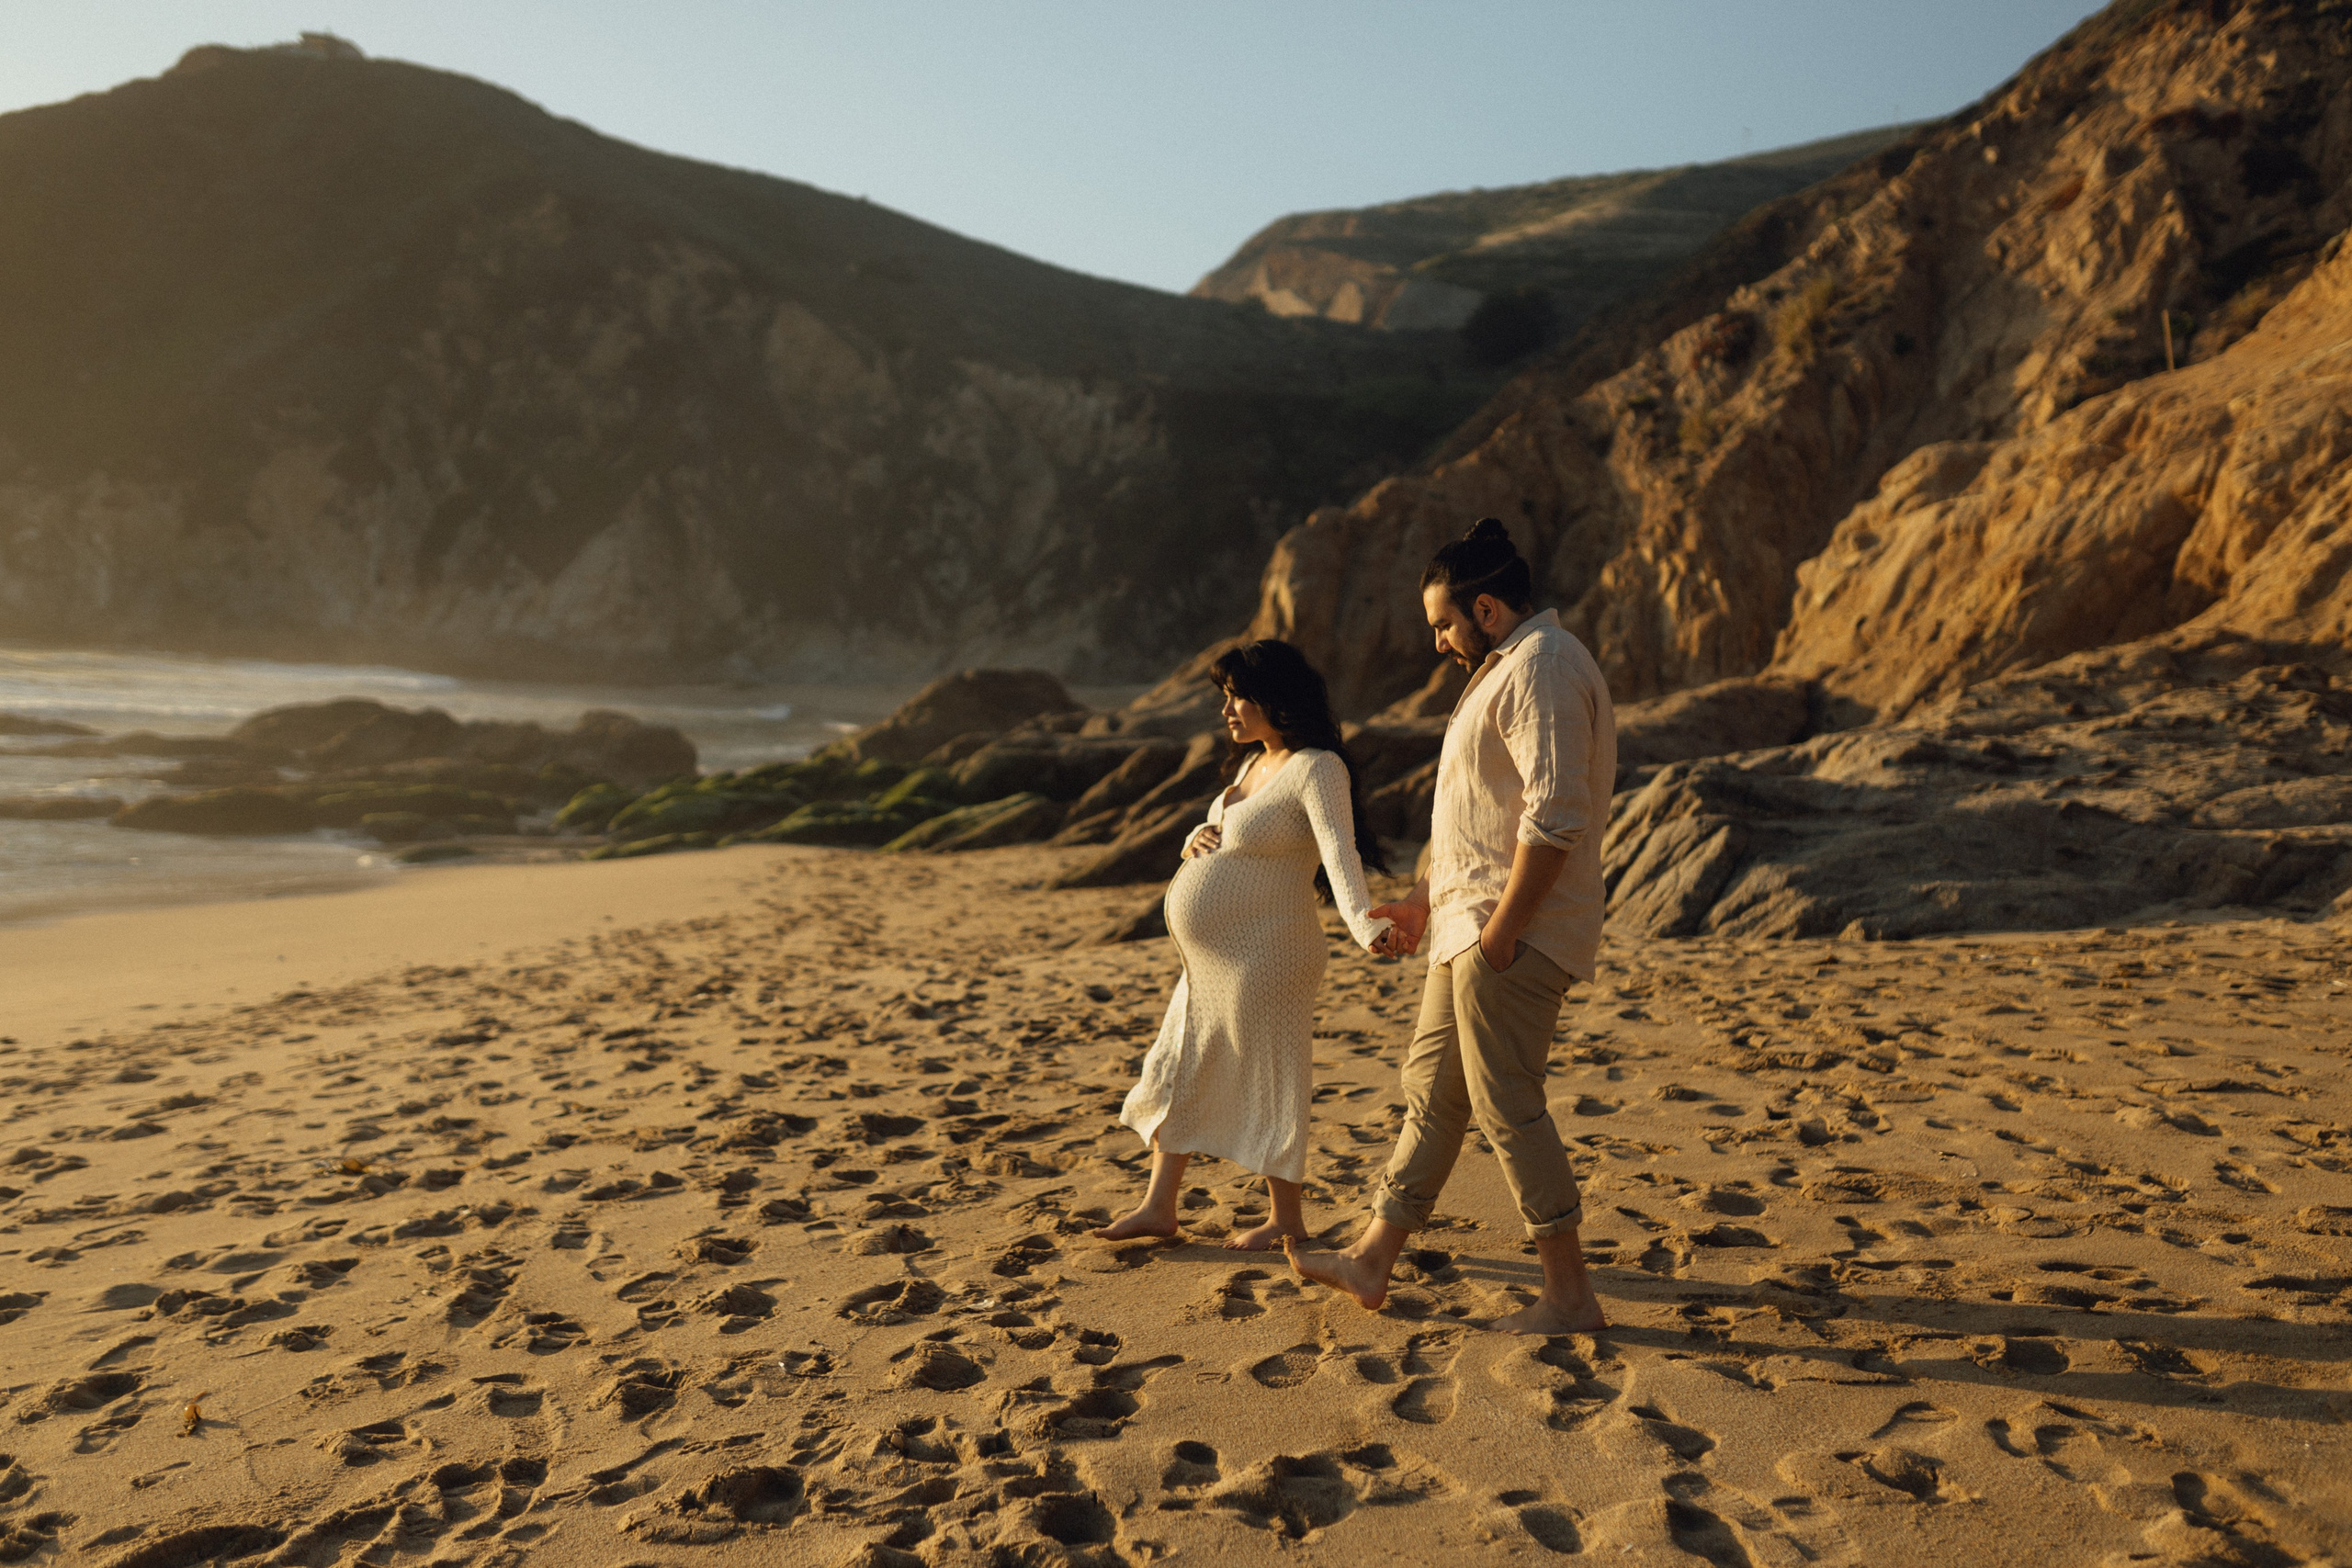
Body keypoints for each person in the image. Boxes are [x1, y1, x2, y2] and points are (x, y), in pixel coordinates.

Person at [1289, 518, 1615, 1334]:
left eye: (1444, 623)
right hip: (1467, 927)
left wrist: (1501, 934)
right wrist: (1424, 904)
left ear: (1489, 608)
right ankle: (1371, 1260)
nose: (1438, 642)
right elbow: (1478, 820)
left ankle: (1571, 1296)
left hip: (1511, 935)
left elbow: (1555, 815)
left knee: (1508, 1105)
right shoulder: (1505, 669)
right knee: (1432, 1098)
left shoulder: (1541, 667)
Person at [1093, 639, 1398, 1251]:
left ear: (1277, 697)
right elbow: (1229, 836)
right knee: (1182, 1062)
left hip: (1271, 950)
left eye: (1238, 696)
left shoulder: (1317, 766)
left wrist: (1367, 924)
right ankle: (1159, 1206)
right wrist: (1195, 838)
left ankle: (1287, 1219)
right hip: (1211, 959)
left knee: (1271, 1076)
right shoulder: (1249, 766)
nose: (1228, 709)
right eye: (1224, 697)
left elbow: (1338, 852)